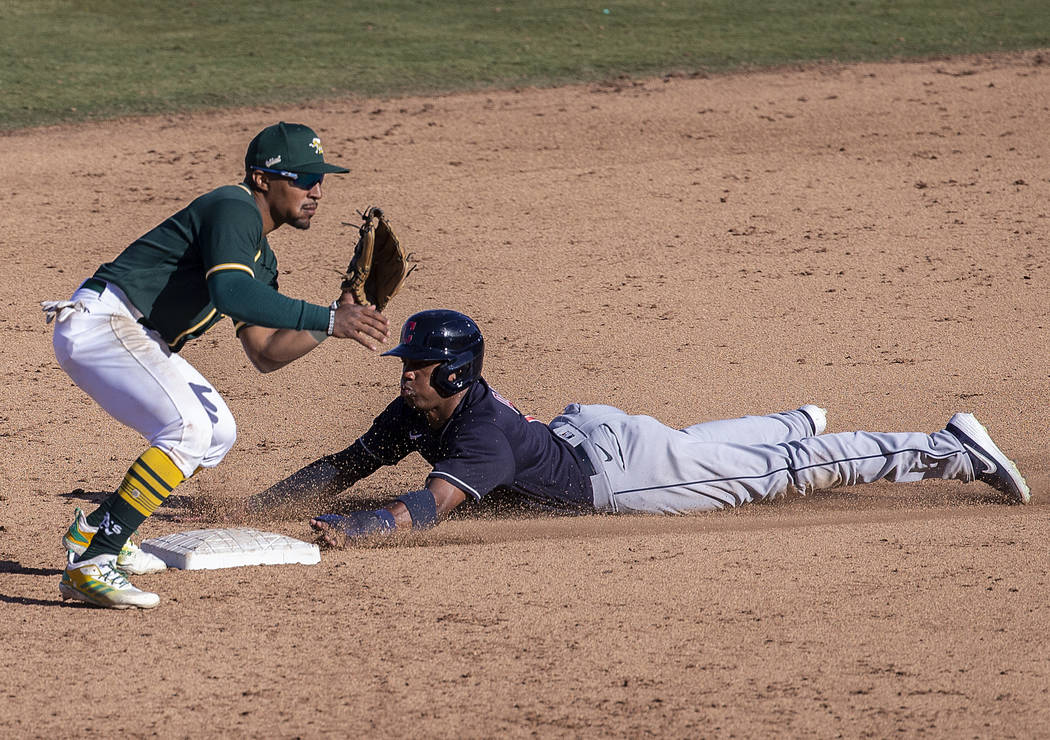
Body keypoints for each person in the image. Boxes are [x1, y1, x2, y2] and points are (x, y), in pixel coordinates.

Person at [243, 309, 1030, 546]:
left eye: (414, 364)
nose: (402, 372)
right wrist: (255, 510)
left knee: (784, 474)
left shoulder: (478, 433)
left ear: (454, 373)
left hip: (625, 477)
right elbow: (346, 462)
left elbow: (424, 510)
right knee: (701, 450)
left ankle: (948, 450)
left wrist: (351, 530)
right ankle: (792, 420)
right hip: (602, 437)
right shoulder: (415, 409)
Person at [43, 122, 390, 609]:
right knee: (186, 429)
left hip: (133, 333)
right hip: (103, 321)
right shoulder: (232, 207)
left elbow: (265, 351)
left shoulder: (261, 258)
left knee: (217, 431)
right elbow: (229, 292)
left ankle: (99, 531)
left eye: (321, 179)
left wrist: (338, 313)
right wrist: (330, 318)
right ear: (263, 178)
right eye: (304, 178)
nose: (317, 190)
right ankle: (90, 564)